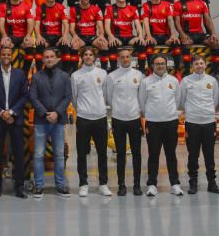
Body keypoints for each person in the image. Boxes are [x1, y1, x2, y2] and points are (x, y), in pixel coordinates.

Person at [0, 46, 30, 199]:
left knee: (18, 154)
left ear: (12, 57)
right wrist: (1, 113)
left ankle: (19, 187)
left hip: (15, 119)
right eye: (3, 54)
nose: (6, 56)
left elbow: (24, 96)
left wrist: (11, 112)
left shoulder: (20, 74)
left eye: (8, 54)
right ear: (0, 57)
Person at [29, 47, 72, 198]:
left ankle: (60, 185)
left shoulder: (65, 77)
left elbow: (68, 97)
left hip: (58, 121)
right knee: (39, 154)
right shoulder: (36, 77)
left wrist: (57, 113)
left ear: (57, 59)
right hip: (41, 120)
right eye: (46, 57)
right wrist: (45, 113)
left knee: (59, 154)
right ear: (42, 59)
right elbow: (33, 97)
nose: (49, 59)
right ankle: (39, 185)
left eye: (51, 57)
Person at [140, 55, 183, 197]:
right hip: (153, 123)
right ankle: (152, 184)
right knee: (153, 155)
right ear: (152, 65)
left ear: (166, 65)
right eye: (157, 63)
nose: (160, 66)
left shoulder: (173, 81)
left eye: (162, 63)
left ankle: (175, 184)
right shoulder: (146, 82)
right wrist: (152, 115)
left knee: (171, 154)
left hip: (170, 122)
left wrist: (169, 114)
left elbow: (177, 101)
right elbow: (142, 103)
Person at [178, 56, 219, 194]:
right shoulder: (186, 81)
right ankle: (193, 182)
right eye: (196, 63)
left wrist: (207, 111)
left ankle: (212, 182)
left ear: (206, 64)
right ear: (192, 66)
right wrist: (191, 112)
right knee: (193, 154)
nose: (199, 65)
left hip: (209, 122)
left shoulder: (212, 81)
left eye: (202, 63)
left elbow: (214, 100)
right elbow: (181, 100)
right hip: (192, 122)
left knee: (209, 153)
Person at [71, 47, 110, 197]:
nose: (88, 57)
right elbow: (74, 98)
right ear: (82, 57)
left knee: (102, 153)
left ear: (95, 57)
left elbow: (105, 94)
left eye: (90, 55)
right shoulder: (75, 76)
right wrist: (82, 109)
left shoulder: (102, 73)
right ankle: (83, 183)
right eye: (85, 55)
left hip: (100, 118)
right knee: (82, 153)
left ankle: (103, 183)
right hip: (83, 118)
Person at [105, 48, 144, 196]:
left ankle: (136, 185)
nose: (125, 59)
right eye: (123, 57)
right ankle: (121, 184)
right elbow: (109, 98)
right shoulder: (112, 76)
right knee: (120, 153)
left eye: (128, 57)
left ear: (131, 58)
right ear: (118, 59)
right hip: (118, 119)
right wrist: (118, 110)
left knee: (136, 153)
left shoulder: (139, 75)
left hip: (134, 119)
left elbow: (141, 97)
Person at [177, 0, 219, 70]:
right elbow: (176, 22)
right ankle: (186, 71)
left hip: (200, 34)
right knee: (186, 44)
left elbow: (208, 20)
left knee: (215, 43)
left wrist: (213, 33)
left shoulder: (201, 3)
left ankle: (215, 72)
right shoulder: (178, 4)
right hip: (187, 34)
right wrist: (182, 34)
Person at [67, 0, 110, 74]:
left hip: (92, 36)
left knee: (104, 45)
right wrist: (74, 36)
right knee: (74, 45)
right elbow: (71, 28)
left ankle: (104, 71)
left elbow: (100, 27)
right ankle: (74, 71)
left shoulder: (96, 9)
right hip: (80, 37)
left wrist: (101, 35)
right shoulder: (73, 10)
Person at [141, 0, 181, 75]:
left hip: (165, 36)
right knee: (149, 43)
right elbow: (145, 22)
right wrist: (149, 36)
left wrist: (173, 34)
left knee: (176, 43)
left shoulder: (167, 5)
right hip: (153, 36)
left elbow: (170, 20)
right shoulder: (146, 6)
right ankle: (151, 71)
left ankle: (177, 71)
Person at [0, 0, 37, 71]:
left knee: (30, 45)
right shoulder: (3, 6)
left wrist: (28, 35)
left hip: (23, 36)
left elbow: (31, 22)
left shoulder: (27, 6)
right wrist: (4, 36)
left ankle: (25, 74)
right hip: (10, 36)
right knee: (5, 45)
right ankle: (9, 72)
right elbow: (1, 22)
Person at [105, 0, 144, 73]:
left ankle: (142, 70)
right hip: (117, 37)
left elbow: (138, 25)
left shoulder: (133, 9)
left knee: (141, 43)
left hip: (129, 37)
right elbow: (107, 26)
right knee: (112, 44)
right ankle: (114, 70)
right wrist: (111, 37)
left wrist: (140, 36)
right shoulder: (110, 9)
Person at [36, 0, 72, 72]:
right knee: (39, 46)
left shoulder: (61, 8)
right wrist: (39, 36)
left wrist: (64, 36)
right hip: (45, 37)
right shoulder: (40, 8)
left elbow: (66, 24)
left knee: (65, 45)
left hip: (57, 37)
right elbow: (36, 24)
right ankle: (39, 73)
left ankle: (66, 73)